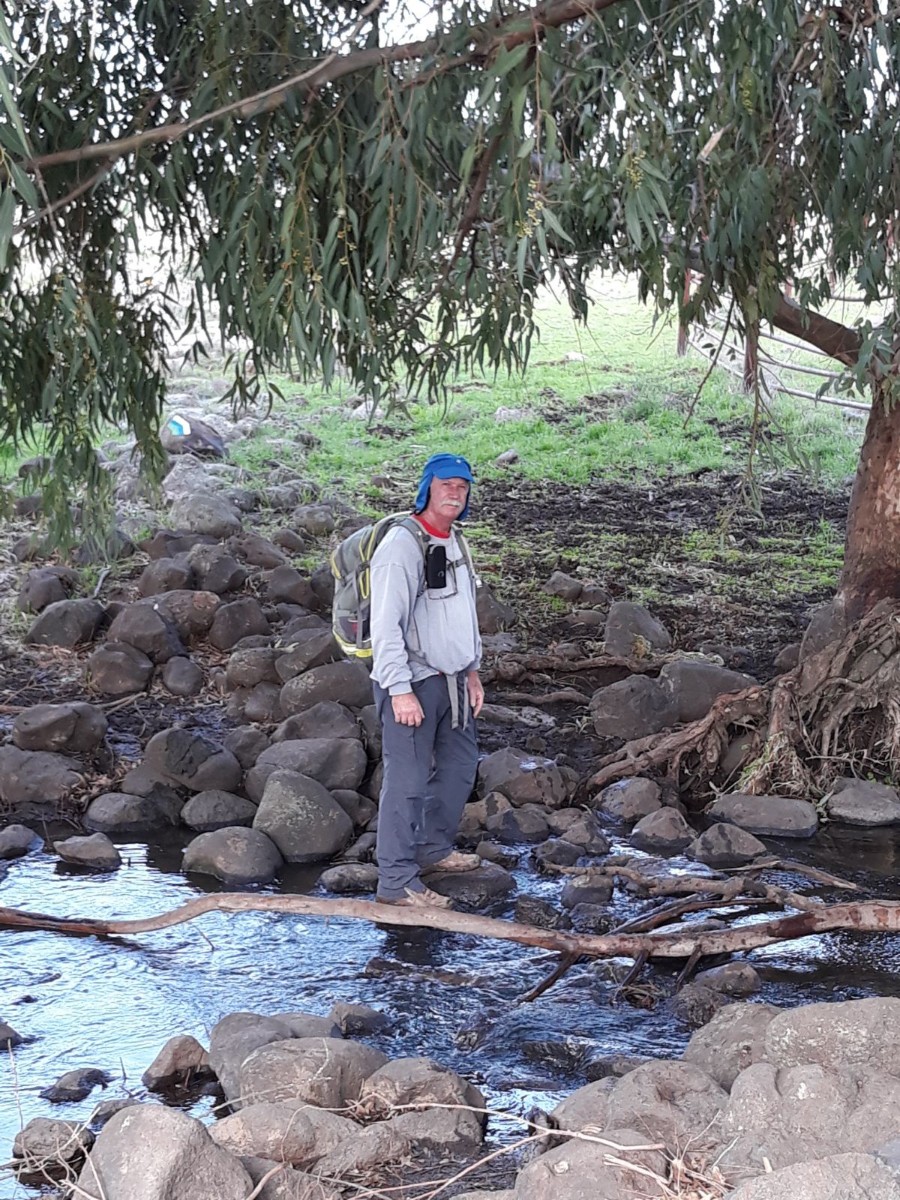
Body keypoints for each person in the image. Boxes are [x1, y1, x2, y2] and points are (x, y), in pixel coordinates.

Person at [370, 452, 484, 908]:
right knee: (408, 780)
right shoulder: (400, 546)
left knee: (459, 768)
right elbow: (385, 625)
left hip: (455, 681)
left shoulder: (455, 539)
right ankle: (395, 882)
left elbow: (463, 614)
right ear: (427, 489)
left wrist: (473, 672)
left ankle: (433, 849)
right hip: (412, 683)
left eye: (462, 486)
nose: (455, 492)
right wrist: (399, 690)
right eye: (446, 485)